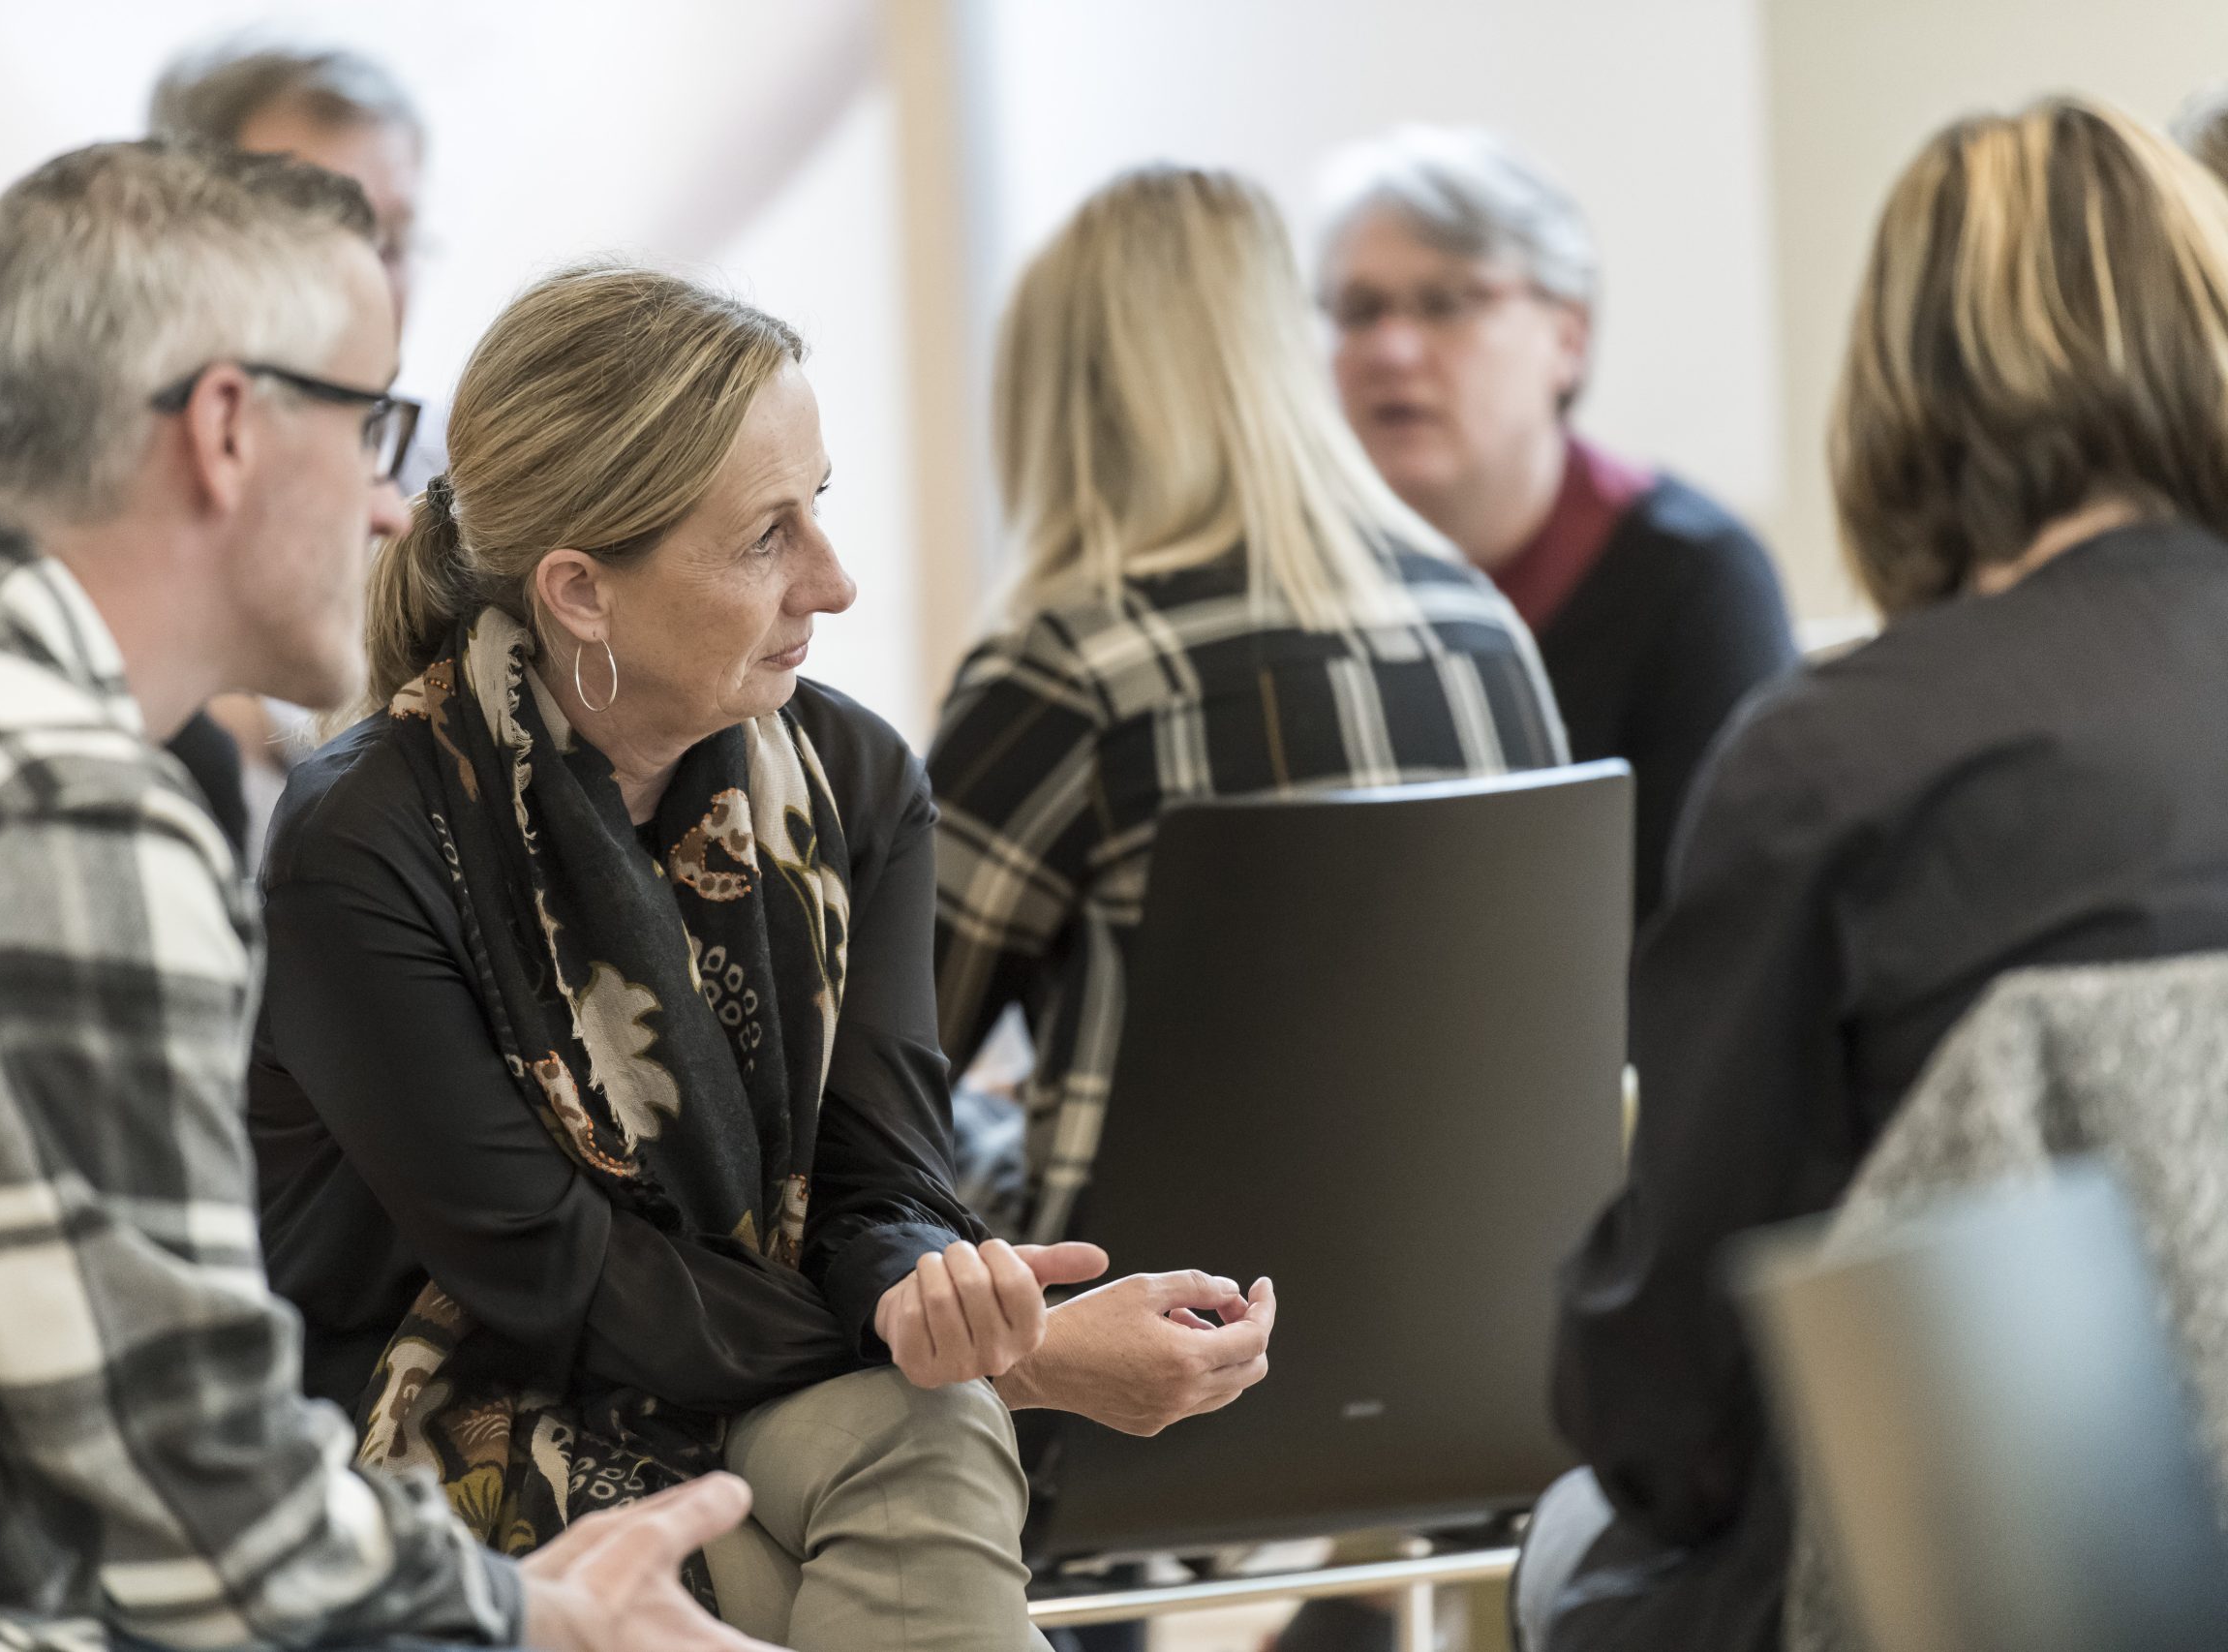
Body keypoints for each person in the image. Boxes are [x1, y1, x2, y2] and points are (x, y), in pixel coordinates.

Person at [0, 140, 764, 1652]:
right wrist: (540, 1617)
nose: (388, 510)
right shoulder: (64, 809)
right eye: (374, 427)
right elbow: (206, 1523)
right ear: (227, 426)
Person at [246, 260, 1278, 1651]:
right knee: (922, 1433)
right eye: (764, 539)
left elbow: (881, 1180)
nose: (835, 582)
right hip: (428, 1420)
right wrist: (1014, 1354)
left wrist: (939, 1287)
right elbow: (559, 1278)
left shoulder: (854, 775)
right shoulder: (360, 837)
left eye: (823, 508)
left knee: (923, 1419)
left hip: (736, 1382)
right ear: (580, 591)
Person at [1525, 97, 2228, 1652]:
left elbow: (1667, 1405)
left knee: (1577, 1546)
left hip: (1975, 1589)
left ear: (1904, 388)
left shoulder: (1835, 763)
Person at [931, 165, 1566, 1249]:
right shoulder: (1484, 635)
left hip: (1159, 1372)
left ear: (1059, 400)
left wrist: (997, 1125)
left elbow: (863, 1086)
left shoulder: (1069, 673)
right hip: (1496, 1371)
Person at [1318, 126, 1795, 926]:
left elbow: (1725, 932)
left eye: (1446, 303)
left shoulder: (1694, 579)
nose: (1392, 350)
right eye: (1360, 311)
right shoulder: (1291, 589)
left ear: (1567, 340)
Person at [151, 37, 440, 867]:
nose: (376, 285)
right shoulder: (116, 470)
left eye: (394, 243)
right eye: (334, 237)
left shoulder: (477, 473)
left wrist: (282, 722)